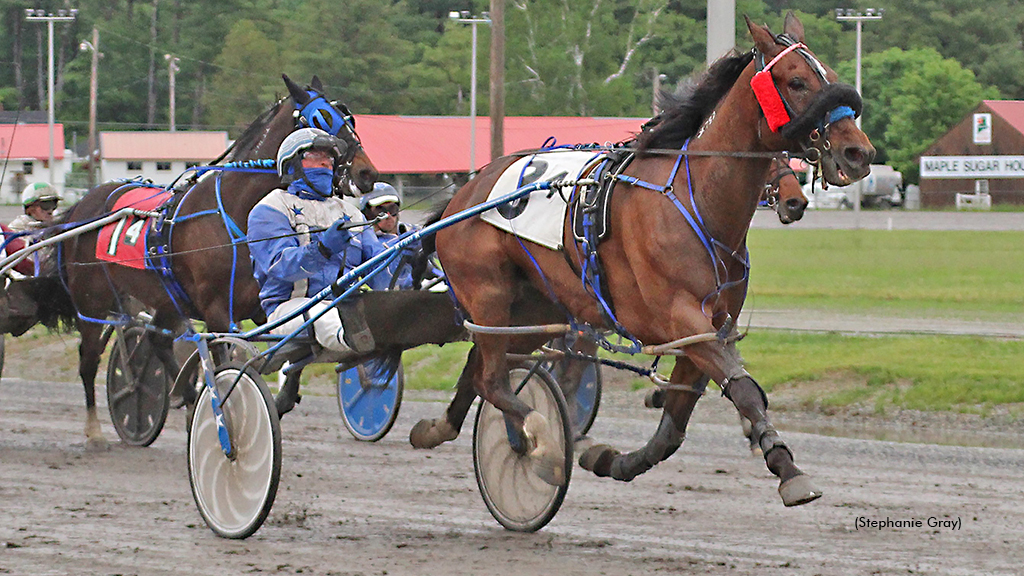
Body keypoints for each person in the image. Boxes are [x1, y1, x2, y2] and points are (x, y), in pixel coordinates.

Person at [247, 127, 388, 354]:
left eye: (329, 158)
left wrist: (404, 253)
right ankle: (353, 340)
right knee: (323, 315)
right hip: (289, 310)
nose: (326, 163)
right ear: (292, 165)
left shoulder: (350, 212)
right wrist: (322, 249)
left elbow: (380, 270)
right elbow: (280, 267)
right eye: (315, 156)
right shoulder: (270, 209)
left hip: (346, 305)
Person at [359, 182, 421, 290]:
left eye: (392, 209)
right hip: (389, 299)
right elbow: (379, 281)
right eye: (380, 211)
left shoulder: (412, 230)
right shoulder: (364, 242)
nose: (388, 216)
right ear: (367, 214)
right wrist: (399, 249)